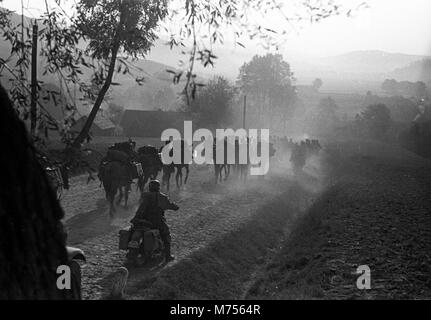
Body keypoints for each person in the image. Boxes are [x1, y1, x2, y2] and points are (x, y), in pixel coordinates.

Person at [129, 180, 179, 262]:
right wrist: (175, 207)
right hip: (155, 221)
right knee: (166, 234)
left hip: (140, 220)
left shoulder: (144, 195)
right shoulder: (161, 196)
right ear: (158, 187)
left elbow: (139, 206)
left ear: (150, 187)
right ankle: (168, 256)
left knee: (134, 230)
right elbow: (169, 205)